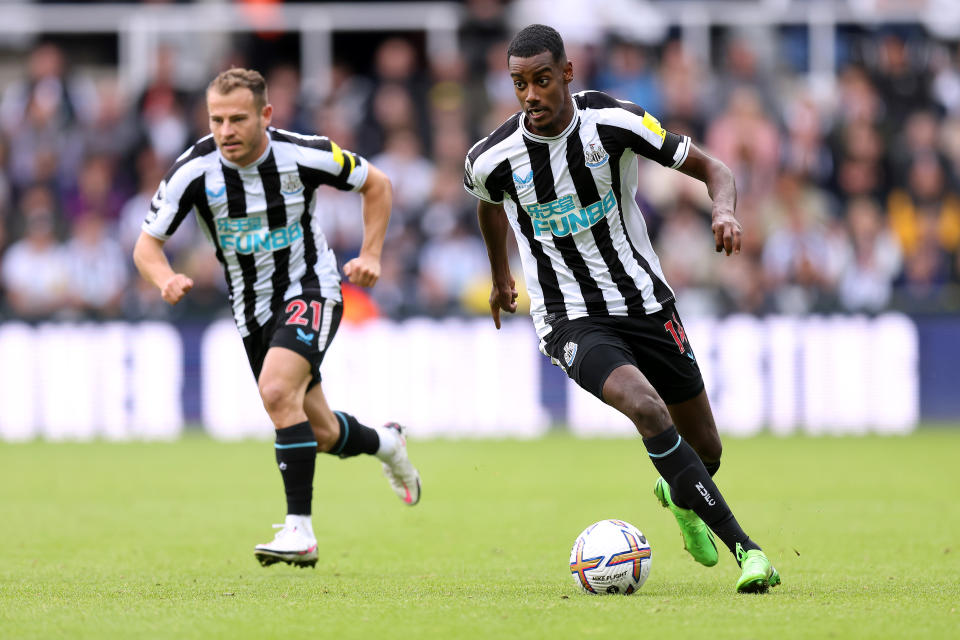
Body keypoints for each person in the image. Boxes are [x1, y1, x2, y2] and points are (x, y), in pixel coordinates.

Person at [463, 25, 780, 593]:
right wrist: (500, 274)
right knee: (647, 408)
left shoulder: (614, 122)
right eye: (518, 85)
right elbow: (489, 206)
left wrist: (724, 212)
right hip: (568, 317)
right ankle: (749, 552)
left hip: (646, 302)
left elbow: (716, 170)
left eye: (540, 80)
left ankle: (678, 494)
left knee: (705, 449)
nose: (530, 95)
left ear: (567, 73)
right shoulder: (493, 158)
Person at [133, 68, 421, 569]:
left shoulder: (302, 153)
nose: (226, 131)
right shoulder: (193, 170)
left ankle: (300, 531)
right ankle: (387, 445)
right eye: (216, 119)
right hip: (252, 312)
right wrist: (163, 278)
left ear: (265, 115)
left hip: (312, 288)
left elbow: (377, 183)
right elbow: (146, 245)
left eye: (238, 119)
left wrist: (371, 254)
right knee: (324, 432)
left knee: (275, 393)